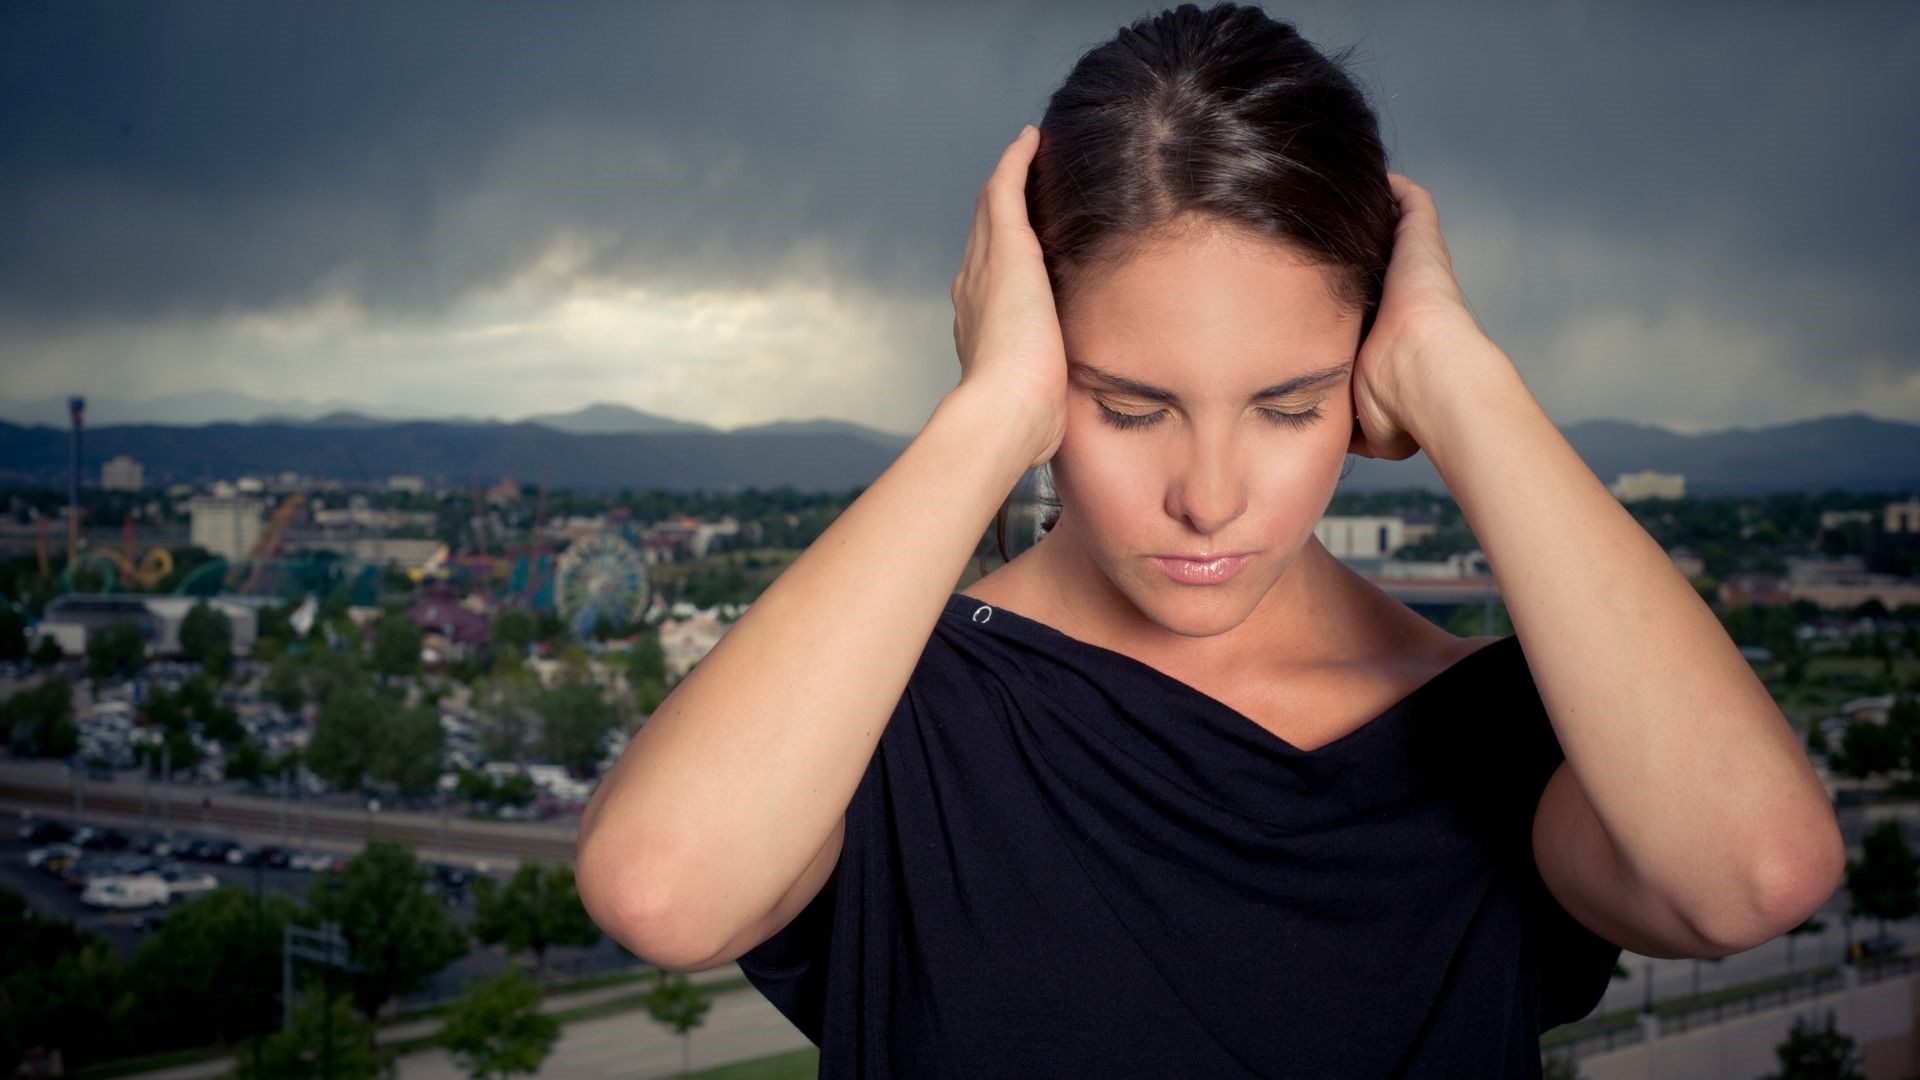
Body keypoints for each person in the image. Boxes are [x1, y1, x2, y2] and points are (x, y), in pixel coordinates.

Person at [576, 3, 1845, 1076]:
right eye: (1128, 406)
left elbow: (1754, 874)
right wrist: (988, 414)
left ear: (1366, 379)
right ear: (1041, 361)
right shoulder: (876, 717)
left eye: (1291, 406)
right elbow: (662, 891)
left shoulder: (1500, 736)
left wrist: (1466, 382)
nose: (1210, 495)